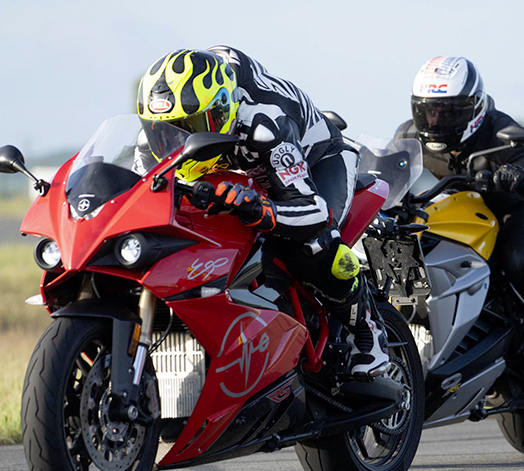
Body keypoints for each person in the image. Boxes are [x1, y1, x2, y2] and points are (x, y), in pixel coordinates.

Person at [136, 47, 388, 380]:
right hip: (243, 171)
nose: (179, 139)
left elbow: (311, 212)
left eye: (193, 126)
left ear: (223, 108)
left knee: (313, 243)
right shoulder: (151, 140)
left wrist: (260, 209)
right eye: (167, 130)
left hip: (315, 159)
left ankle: (370, 331)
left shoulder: (262, 122)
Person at [394, 56, 524, 386]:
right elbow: (390, 175)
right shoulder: (409, 135)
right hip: (456, 210)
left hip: (514, 212)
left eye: (450, 111)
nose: (437, 121)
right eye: (429, 111)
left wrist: (522, 182)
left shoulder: (501, 135)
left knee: (517, 259)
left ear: (475, 107)